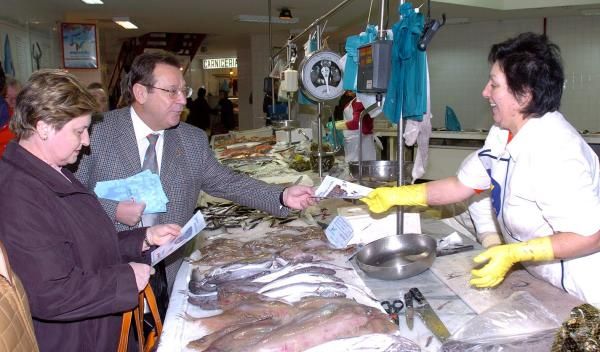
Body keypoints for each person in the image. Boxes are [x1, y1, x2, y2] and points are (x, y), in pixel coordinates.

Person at [362, 32, 600, 304]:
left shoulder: (557, 151)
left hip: (583, 287)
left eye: (494, 84)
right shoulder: (502, 133)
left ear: (523, 96)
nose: (485, 91)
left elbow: (591, 236)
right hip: (545, 278)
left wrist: (516, 253)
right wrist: (399, 195)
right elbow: (460, 186)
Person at [72, 51, 315, 311]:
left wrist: (281, 196)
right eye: (171, 91)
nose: (181, 100)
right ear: (141, 93)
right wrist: (112, 209)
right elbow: (67, 197)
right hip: (109, 271)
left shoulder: (192, 139)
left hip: (169, 269)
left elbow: (227, 182)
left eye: (183, 91)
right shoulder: (95, 132)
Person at [0, 69, 181, 352]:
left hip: (96, 332)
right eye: (78, 131)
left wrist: (142, 238)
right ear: (44, 126)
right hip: (76, 341)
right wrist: (125, 279)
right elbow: (51, 293)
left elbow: (83, 249)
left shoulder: (53, 171)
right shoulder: (18, 194)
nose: (86, 142)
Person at [327, 95, 376, 162]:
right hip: (353, 142)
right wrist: (339, 123)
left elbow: (356, 123)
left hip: (361, 143)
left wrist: (336, 125)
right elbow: (350, 119)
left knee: (361, 168)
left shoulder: (361, 101)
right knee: (353, 167)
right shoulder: (354, 100)